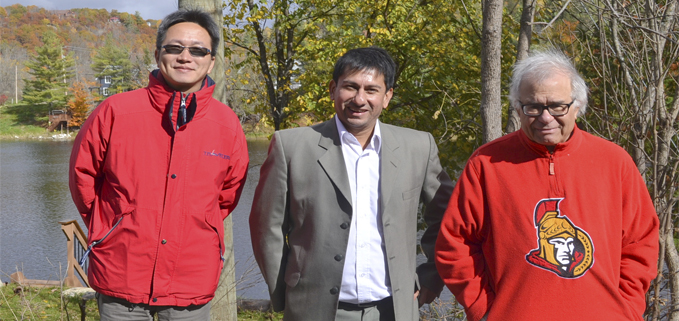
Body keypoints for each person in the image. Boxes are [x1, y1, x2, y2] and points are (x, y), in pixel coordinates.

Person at [434, 49, 659, 321]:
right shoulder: (487, 164)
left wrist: (627, 309)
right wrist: (484, 309)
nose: (545, 117)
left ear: (578, 105)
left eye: (556, 106)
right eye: (533, 106)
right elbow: (455, 244)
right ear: (518, 108)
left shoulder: (614, 162)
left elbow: (640, 242)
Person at [69, 8, 249, 321]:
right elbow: (83, 178)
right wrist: (108, 227)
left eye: (197, 50)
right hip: (121, 272)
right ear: (157, 53)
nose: (185, 57)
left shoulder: (227, 124)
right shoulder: (115, 111)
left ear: (211, 60)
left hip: (191, 278)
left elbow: (226, 197)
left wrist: (199, 225)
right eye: (174, 48)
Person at [249, 47, 454, 321]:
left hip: (393, 310)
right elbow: (267, 227)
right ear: (333, 89)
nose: (360, 99)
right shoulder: (291, 146)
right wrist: (284, 292)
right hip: (313, 310)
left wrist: (431, 277)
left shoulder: (418, 146)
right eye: (350, 87)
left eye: (371, 90)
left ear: (387, 96)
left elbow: (448, 217)